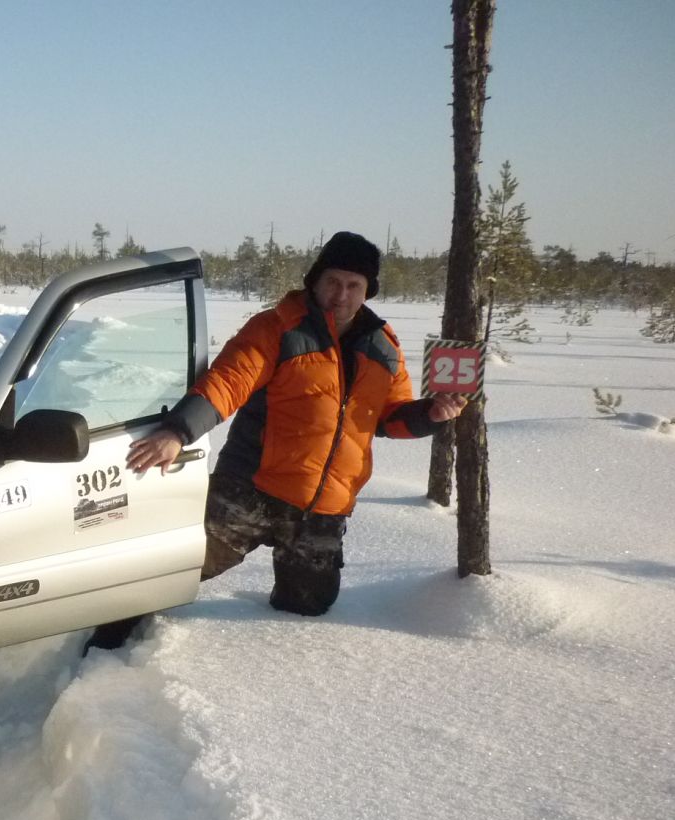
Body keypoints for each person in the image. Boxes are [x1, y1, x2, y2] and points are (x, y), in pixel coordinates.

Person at [125, 230, 468, 619]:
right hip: (253, 486)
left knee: (308, 605)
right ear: (315, 280)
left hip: (324, 506)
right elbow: (228, 382)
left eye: (353, 285)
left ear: (368, 290)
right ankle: (112, 629)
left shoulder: (383, 347)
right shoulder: (277, 328)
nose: (341, 295)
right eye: (333, 282)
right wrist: (178, 431)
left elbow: (389, 418)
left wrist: (429, 416)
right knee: (176, 569)